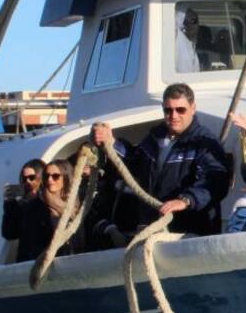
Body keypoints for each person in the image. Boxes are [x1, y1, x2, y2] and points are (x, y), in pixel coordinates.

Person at [92, 83, 231, 234]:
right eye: (168, 110)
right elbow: (134, 163)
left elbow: (217, 181)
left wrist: (186, 201)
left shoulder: (204, 142)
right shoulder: (154, 137)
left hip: (189, 232)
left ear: (193, 108)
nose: (174, 116)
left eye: (180, 110)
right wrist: (111, 142)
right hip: (153, 228)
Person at [16, 159, 72, 262]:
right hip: (40, 264)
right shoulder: (33, 206)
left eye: (55, 176)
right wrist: (9, 205)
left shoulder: (75, 203)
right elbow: (24, 242)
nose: (50, 180)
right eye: (47, 176)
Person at [2, 159, 45, 243]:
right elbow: (10, 234)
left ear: (41, 177)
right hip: (29, 254)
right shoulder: (22, 205)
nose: (27, 181)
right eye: (24, 179)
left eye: (31, 177)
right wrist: (9, 205)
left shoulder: (49, 200)